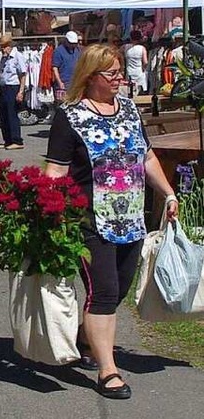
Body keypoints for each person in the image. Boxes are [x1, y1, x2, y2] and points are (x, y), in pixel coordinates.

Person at [43, 43, 178, 399]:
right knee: (102, 292)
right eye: (113, 74)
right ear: (90, 77)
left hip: (131, 217)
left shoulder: (129, 109)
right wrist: (49, 212)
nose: (120, 79)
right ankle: (108, 370)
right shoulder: (69, 116)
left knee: (117, 290)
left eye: (121, 72)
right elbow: (56, 170)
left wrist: (168, 193)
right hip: (91, 219)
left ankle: (87, 339)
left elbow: (146, 156)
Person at [0, 34, 26, 149]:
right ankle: (7, 140)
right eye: (1, 47)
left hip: (13, 87)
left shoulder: (18, 56)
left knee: (11, 113)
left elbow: (23, 74)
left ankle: (17, 140)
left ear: (9, 46)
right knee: (3, 114)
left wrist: (21, 91)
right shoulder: (3, 58)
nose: (2, 49)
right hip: (3, 87)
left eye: (4, 46)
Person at [52, 30, 82, 104]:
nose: (73, 45)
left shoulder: (77, 50)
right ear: (66, 41)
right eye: (71, 43)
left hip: (75, 83)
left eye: (74, 43)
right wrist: (60, 82)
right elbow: (55, 68)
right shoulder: (58, 51)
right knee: (63, 106)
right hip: (64, 83)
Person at [124, 30, 148, 95]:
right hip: (139, 72)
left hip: (129, 72)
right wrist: (143, 68)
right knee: (141, 93)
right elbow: (145, 62)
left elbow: (118, 54)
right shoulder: (142, 48)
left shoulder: (126, 47)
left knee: (130, 92)